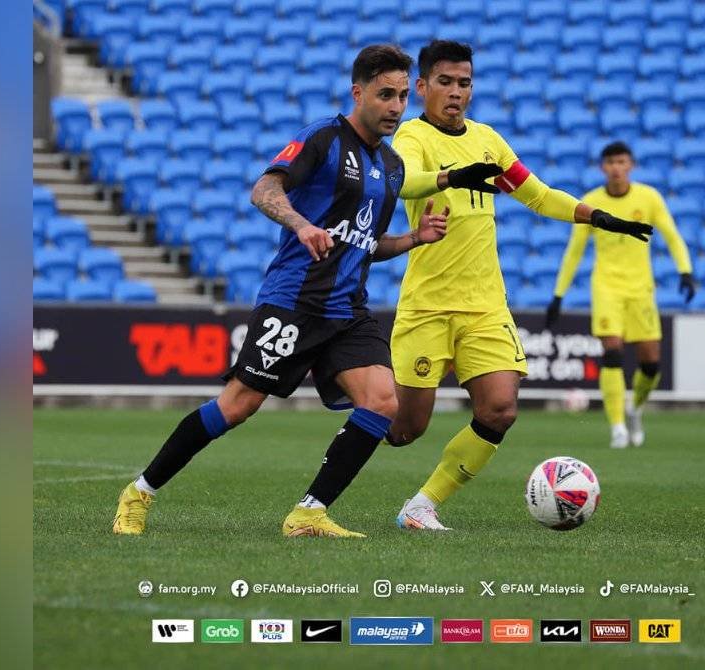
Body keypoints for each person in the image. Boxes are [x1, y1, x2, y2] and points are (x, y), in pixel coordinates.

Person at [112, 45, 454, 539]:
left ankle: (309, 513)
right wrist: (301, 225)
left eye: (403, 95)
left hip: (347, 310)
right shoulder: (321, 138)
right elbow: (264, 190)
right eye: (385, 95)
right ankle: (139, 492)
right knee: (237, 405)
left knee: (382, 401)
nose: (397, 106)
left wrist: (412, 240)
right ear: (358, 93)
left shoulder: (393, 168)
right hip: (294, 302)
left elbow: (365, 244)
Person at [385, 41, 654, 531]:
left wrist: (598, 217)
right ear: (421, 87)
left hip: (485, 304)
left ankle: (422, 505)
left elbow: (536, 194)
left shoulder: (488, 139)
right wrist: (451, 177)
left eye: (464, 82)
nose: (456, 92)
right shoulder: (413, 136)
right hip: (427, 306)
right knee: (406, 429)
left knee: (501, 408)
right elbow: (402, 181)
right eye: (444, 82)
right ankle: (357, 395)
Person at [546, 141, 695, 448]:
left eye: (622, 162)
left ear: (631, 166)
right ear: (603, 167)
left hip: (641, 288)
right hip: (606, 286)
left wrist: (685, 271)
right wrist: (558, 295)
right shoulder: (590, 202)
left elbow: (672, 235)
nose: (616, 167)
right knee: (612, 351)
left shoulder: (649, 198)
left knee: (651, 363)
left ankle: (635, 409)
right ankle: (617, 427)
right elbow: (573, 252)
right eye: (611, 162)